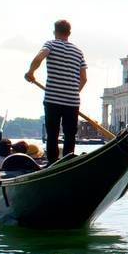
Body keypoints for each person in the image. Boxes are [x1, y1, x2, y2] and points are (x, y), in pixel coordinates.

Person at [25, 19, 88, 164]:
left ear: (55, 32)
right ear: (69, 33)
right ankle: (68, 162)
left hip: (53, 98)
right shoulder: (78, 51)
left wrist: (30, 72)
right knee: (70, 134)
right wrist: (72, 91)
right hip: (72, 100)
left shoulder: (51, 44)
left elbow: (39, 58)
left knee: (52, 133)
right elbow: (84, 78)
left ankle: (52, 162)